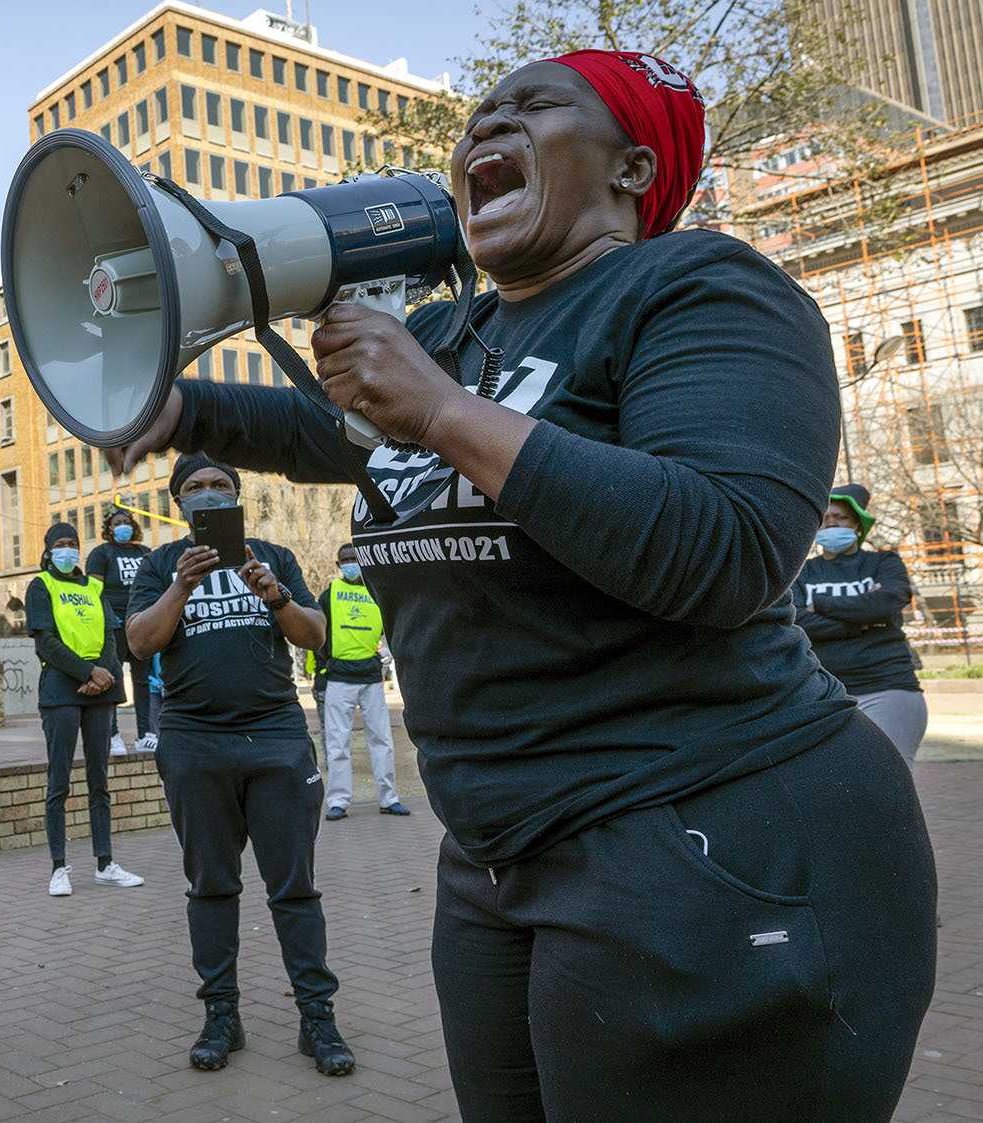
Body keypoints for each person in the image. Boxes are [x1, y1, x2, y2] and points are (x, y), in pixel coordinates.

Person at [105, 49, 936, 1119]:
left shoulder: (698, 286)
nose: (484, 126)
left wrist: (440, 409)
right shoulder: (453, 334)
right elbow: (326, 430)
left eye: (532, 106)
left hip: (711, 832)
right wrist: (173, 410)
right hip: (500, 850)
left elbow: (725, 549)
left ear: (632, 168)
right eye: (478, 114)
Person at [127, 453, 354, 1076]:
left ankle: (318, 1019)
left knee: (295, 889)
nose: (208, 495)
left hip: (277, 741)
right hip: (195, 745)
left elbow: (315, 636)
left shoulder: (272, 558)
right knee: (211, 886)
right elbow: (141, 642)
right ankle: (221, 1017)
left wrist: (275, 595)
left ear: (237, 496)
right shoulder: (157, 566)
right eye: (194, 488)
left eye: (219, 486)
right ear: (178, 504)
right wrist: (180, 585)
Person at [27, 521, 145, 896]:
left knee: (100, 783)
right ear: (48, 550)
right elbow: (45, 641)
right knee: (58, 782)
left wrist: (105, 675)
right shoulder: (40, 586)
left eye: (73, 544)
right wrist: (88, 671)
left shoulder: (94, 587)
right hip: (62, 690)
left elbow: (113, 635)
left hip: (99, 690)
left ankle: (105, 863)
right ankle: (58, 868)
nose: (67, 550)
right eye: (60, 544)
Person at [794, 484, 927, 767]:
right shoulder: (802, 572)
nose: (832, 523)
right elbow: (796, 621)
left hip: (888, 686)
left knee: (887, 776)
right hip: (823, 693)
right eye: (826, 518)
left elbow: (884, 605)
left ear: (857, 524)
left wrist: (820, 604)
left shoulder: (883, 561)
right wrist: (860, 623)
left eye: (840, 517)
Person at [319, 542, 406, 819]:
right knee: (337, 744)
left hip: (370, 678)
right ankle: (338, 802)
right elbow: (318, 634)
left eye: (353, 558)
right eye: (344, 559)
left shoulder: (376, 591)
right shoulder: (329, 593)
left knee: (382, 740)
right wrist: (323, 668)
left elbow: (390, 631)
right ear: (338, 565)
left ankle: (389, 798)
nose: (350, 563)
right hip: (340, 678)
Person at [86, 506, 157, 753]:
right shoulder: (101, 553)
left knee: (143, 680)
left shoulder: (145, 553)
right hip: (114, 625)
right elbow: (94, 592)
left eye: (126, 521)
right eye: (117, 522)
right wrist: (108, 621)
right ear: (109, 528)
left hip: (142, 623)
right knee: (113, 678)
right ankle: (113, 735)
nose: (122, 526)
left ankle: (145, 733)